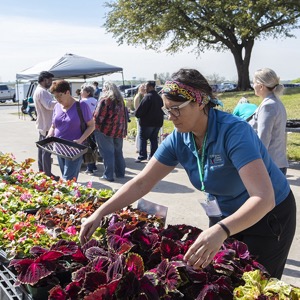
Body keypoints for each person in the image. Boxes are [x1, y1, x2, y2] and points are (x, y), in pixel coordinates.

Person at [80, 68, 296, 280]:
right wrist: (100, 212)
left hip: (267, 216)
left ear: (200, 102)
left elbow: (263, 198)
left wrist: (221, 230)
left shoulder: (234, 132)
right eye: (167, 110)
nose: (171, 117)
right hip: (225, 216)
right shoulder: (179, 137)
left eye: (176, 109)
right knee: (224, 280)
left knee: (258, 285)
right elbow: (141, 182)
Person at [47, 80, 95, 181]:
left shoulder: (81, 106)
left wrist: (80, 140)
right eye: (55, 97)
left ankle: (69, 195)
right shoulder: (57, 106)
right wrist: (50, 134)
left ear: (67, 92)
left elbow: (91, 126)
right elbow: (53, 125)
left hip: (74, 149)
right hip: (59, 148)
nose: (58, 99)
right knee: (67, 179)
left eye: (60, 96)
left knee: (67, 180)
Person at [249, 68, 289, 175]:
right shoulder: (275, 102)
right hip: (276, 163)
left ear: (261, 86)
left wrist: (256, 165)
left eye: (254, 83)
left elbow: (263, 138)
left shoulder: (268, 105)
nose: (253, 86)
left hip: (270, 166)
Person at [93, 81, 127, 182]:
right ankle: (120, 173)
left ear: (106, 89)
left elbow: (98, 117)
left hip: (105, 130)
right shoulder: (120, 100)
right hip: (119, 130)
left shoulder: (104, 100)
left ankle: (108, 175)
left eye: (103, 88)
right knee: (118, 152)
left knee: (107, 153)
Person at [33, 71, 59, 180]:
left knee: (42, 150)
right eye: (50, 80)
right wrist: (60, 101)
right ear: (44, 80)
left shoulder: (39, 90)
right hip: (47, 126)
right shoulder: (42, 91)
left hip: (43, 124)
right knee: (46, 152)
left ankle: (42, 172)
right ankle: (47, 174)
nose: (51, 83)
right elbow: (48, 105)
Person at [135, 80, 164, 162]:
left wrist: (137, 114)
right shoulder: (159, 97)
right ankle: (153, 156)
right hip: (157, 123)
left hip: (147, 123)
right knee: (154, 139)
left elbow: (140, 110)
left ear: (151, 87)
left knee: (143, 138)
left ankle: (142, 155)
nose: (145, 88)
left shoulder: (147, 97)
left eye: (146, 86)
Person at [80, 84, 98, 175]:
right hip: (94, 125)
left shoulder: (83, 102)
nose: (80, 92)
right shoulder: (96, 101)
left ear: (87, 93)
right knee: (93, 145)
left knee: (87, 146)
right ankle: (93, 165)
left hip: (86, 126)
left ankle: (89, 167)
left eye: (82, 90)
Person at [133, 83, 146, 153]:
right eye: (143, 87)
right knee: (139, 132)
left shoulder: (143, 96)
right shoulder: (138, 97)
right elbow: (137, 108)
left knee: (141, 132)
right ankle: (138, 147)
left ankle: (140, 146)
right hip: (139, 117)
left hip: (143, 117)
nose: (144, 88)